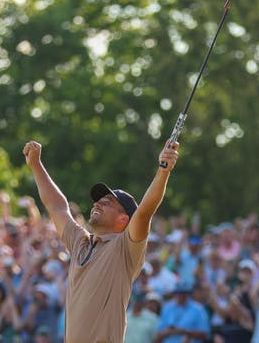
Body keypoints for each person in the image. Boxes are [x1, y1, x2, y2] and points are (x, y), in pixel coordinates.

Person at [22, 139, 180, 342]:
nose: (97, 203)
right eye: (98, 201)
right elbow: (57, 207)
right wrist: (36, 165)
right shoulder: (81, 242)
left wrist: (163, 171)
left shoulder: (125, 247)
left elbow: (144, 212)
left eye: (107, 203)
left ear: (124, 219)